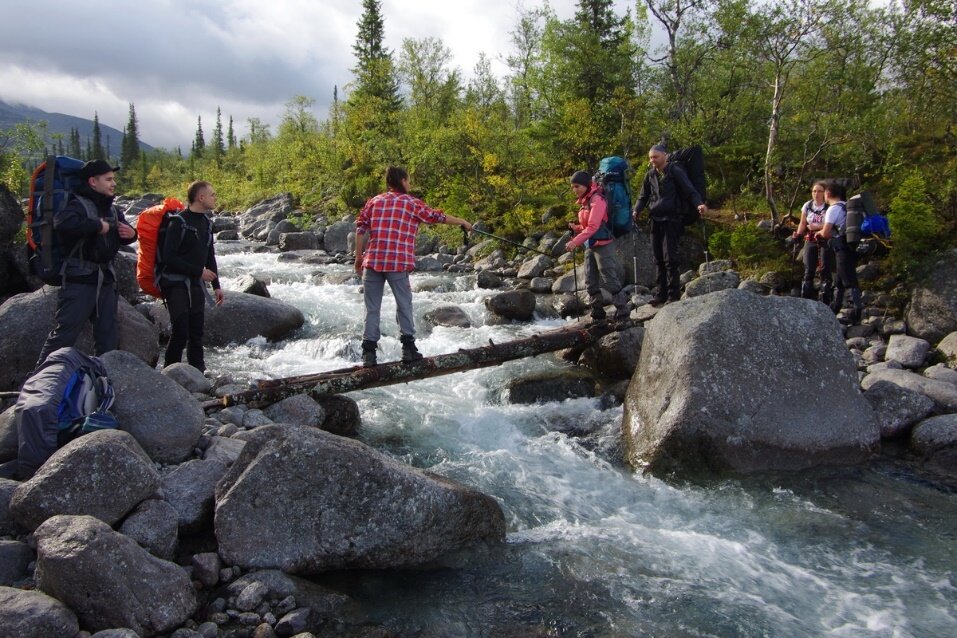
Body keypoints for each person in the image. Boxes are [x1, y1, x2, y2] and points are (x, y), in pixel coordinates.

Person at [355, 166, 472, 367]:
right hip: (397, 263)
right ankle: (408, 350)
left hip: (372, 262)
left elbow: (360, 228)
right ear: (402, 180)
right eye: (408, 180)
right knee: (404, 304)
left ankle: (369, 354)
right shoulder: (412, 204)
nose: (409, 183)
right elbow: (437, 217)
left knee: (372, 308)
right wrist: (462, 221)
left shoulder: (374, 201)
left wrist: (358, 257)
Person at [36, 159, 138, 367]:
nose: (113, 183)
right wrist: (95, 226)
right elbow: (62, 223)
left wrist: (132, 234)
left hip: (106, 280)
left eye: (113, 179)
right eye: (108, 179)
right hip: (79, 280)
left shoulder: (112, 209)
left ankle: (104, 383)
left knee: (108, 337)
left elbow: (125, 235)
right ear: (93, 181)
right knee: (64, 335)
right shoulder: (77, 204)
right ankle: (36, 383)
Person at [159, 180, 224, 372]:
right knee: (180, 331)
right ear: (200, 197)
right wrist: (198, 272)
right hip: (174, 284)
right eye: (212, 194)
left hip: (195, 283)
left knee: (196, 332)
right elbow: (168, 258)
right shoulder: (178, 222)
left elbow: (209, 255)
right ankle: (170, 373)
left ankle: (199, 374)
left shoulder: (206, 223)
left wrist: (217, 285)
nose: (215, 198)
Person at [632, 144, 707, 305]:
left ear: (665, 156)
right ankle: (661, 294)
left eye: (655, 157)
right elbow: (643, 196)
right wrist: (637, 210)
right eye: (651, 157)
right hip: (655, 219)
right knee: (658, 258)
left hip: (672, 219)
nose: (652, 160)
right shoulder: (650, 175)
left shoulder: (675, 171)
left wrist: (699, 204)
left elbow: (689, 190)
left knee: (670, 258)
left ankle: (673, 295)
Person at [565, 170, 629, 321]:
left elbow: (594, 227)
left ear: (586, 185)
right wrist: (577, 229)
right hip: (591, 245)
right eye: (573, 187)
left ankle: (624, 315)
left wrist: (575, 242)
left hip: (604, 246)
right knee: (590, 281)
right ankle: (598, 315)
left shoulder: (597, 200)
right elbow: (587, 226)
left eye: (577, 186)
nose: (574, 190)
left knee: (610, 279)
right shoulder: (585, 201)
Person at [815, 180, 863, 324]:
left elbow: (826, 232)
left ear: (828, 194)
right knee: (839, 280)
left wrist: (818, 234)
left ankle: (856, 313)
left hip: (842, 247)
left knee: (849, 280)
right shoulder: (845, 206)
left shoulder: (833, 209)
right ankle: (834, 309)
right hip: (850, 246)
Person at [791, 181, 834, 305]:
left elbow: (831, 224)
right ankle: (805, 300)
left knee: (825, 269)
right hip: (810, 239)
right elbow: (803, 223)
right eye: (814, 191)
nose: (816, 194)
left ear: (825, 193)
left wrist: (817, 226)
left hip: (825, 238)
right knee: (808, 269)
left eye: (820, 191)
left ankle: (826, 301)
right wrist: (798, 234)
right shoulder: (808, 205)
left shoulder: (829, 207)